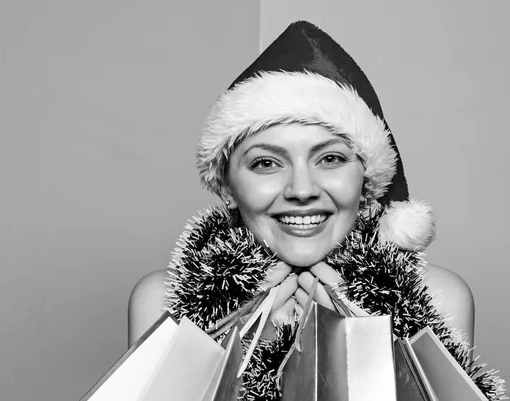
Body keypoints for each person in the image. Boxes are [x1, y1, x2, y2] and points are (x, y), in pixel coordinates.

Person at [128, 21, 476, 398]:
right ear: (227, 187)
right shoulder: (159, 302)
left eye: (329, 158)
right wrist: (216, 361)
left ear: (365, 181)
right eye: (266, 163)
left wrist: (375, 362)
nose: (302, 190)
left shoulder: (439, 297)